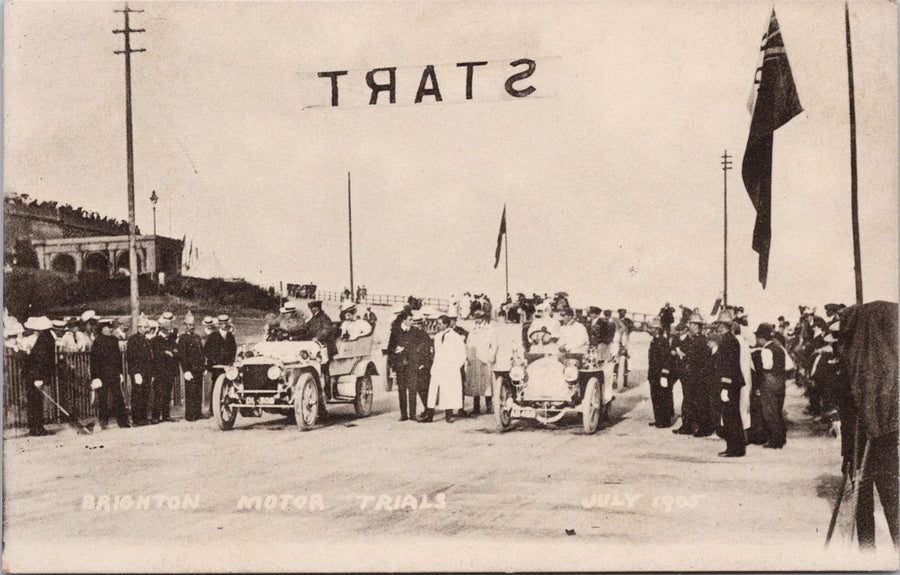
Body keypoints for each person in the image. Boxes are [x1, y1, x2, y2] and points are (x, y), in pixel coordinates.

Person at [833, 302, 898, 550]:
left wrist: (848, 452)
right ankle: (871, 553)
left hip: (867, 442)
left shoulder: (854, 364)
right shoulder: (889, 361)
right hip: (880, 440)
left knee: (872, 500)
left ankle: (870, 551)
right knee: (888, 500)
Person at [711, 310, 746, 457]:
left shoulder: (728, 341)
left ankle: (735, 449)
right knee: (730, 416)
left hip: (729, 384)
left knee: (731, 417)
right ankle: (733, 447)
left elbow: (729, 366)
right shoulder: (728, 340)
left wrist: (725, 386)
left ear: (724, 326)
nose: (717, 327)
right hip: (730, 383)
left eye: (719, 324)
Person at [388, 310, 432, 421]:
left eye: (412, 320)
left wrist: (405, 349)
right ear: (403, 320)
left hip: (412, 364)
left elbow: (420, 346)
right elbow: (390, 348)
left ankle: (412, 414)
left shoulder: (415, 331)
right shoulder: (395, 332)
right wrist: (395, 353)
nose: (412, 322)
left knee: (412, 389)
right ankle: (403, 414)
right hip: (400, 365)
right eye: (410, 320)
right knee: (401, 390)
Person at [423, 315, 466, 423]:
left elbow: (462, 354)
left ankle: (449, 415)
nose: (438, 326)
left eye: (440, 324)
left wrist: (455, 366)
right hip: (438, 367)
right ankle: (430, 415)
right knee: (433, 391)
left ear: (446, 324)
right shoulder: (437, 336)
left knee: (448, 391)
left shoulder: (455, 337)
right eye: (438, 324)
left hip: (450, 368)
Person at [90, 318, 130, 429]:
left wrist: (120, 372)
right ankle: (103, 422)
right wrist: (95, 377)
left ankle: (123, 422)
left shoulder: (114, 340)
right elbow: (94, 361)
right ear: (102, 329)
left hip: (114, 373)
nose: (109, 329)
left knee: (118, 397)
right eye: (107, 327)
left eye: (110, 327)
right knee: (102, 399)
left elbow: (118, 358)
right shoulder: (97, 342)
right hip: (102, 374)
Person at [752, 323, 787, 448]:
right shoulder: (779, 348)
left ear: (761, 338)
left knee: (769, 412)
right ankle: (781, 438)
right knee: (777, 410)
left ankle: (775, 441)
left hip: (769, 382)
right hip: (780, 381)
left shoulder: (766, 350)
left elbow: (766, 367)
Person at [22, 316, 55, 436]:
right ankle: (36, 427)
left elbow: (41, 360)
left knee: (35, 401)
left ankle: (36, 427)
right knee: (34, 401)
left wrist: (39, 377)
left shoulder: (44, 340)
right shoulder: (43, 339)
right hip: (34, 374)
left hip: (35, 374)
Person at [684, 313, 714, 437]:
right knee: (696, 402)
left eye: (691, 324)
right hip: (694, 376)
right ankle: (697, 427)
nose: (689, 326)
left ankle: (704, 428)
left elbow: (701, 361)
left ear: (696, 325)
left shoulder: (700, 340)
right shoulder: (696, 339)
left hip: (699, 377)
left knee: (701, 402)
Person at [464, 309, 498, 415]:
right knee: (475, 384)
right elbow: (468, 344)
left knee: (486, 384)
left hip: (485, 359)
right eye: (476, 318)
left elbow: (494, 345)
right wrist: (468, 356)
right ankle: (476, 407)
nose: (477, 320)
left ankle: (489, 407)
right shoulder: (473, 330)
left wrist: (491, 357)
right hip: (474, 360)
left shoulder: (490, 329)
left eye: (479, 318)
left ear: (483, 318)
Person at [126, 316, 154, 426]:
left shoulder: (146, 340)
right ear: (139, 327)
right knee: (137, 395)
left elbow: (150, 357)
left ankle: (143, 417)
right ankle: (137, 419)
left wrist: (151, 373)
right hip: (138, 372)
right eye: (144, 327)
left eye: (146, 327)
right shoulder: (133, 339)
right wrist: (136, 372)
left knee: (145, 395)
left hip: (147, 371)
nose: (146, 329)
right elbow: (131, 357)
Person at [178, 312, 207, 422]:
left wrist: (204, 367)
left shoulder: (197, 337)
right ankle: (190, 415)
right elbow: (182, 356)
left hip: (198, 368)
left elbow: (201, 353)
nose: (191, 327)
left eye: (192, 325)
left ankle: (197, 413)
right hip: (190, 369)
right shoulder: (183, 338)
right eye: (189, 325)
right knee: (190, 392)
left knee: (198, 391)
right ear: (185, 326)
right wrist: (185, 370)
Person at [150, 316, 179, 424]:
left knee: (167, 394)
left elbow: (176, 353)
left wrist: (172, 354)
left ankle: (166, 415)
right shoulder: (154, 341)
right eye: (168, 329)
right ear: (163, 329)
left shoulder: (172, 341)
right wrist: (165, 353)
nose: (169, 331)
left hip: (169, 371)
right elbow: (155, 356)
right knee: (158, 394)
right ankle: (155, 416)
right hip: (159, 372)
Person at [647, 317, 674, 428]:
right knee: (655, 397)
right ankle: (658, 419)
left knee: (663, 397)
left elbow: (666, 359)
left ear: (657, 329)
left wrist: (664, 375)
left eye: (652, 328)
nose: (651, 330)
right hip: (653, 374)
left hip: (660, 375)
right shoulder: (654, 340)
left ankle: (665, 421)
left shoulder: (663, 341)